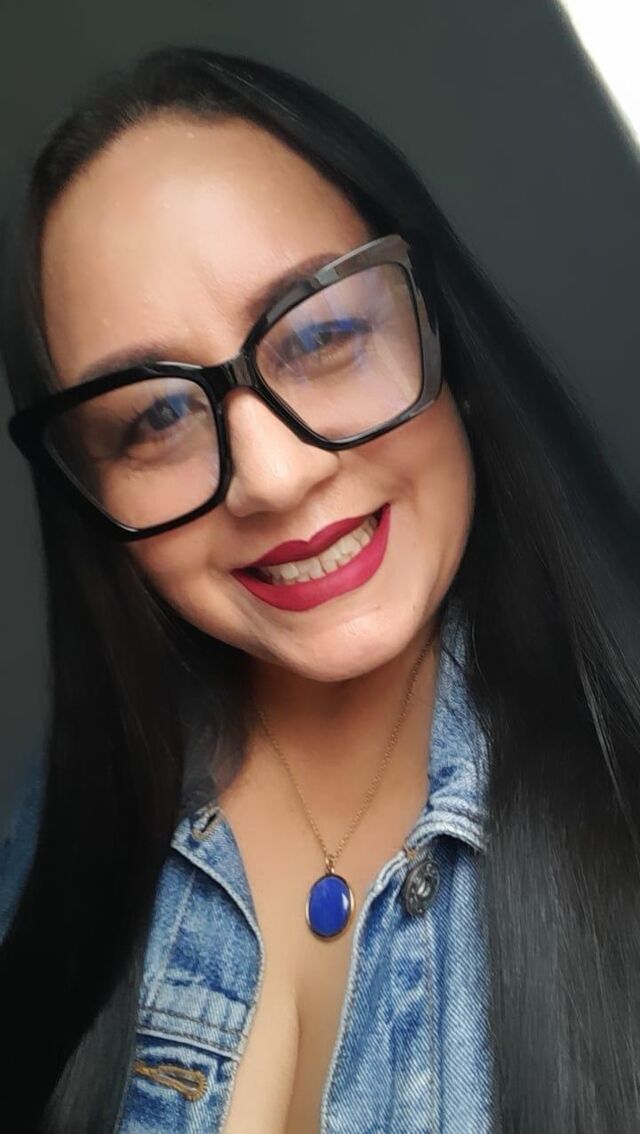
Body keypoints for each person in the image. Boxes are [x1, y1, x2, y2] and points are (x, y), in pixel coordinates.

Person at [0, 43, 639, 1134]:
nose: (274, 476)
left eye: (325, 333)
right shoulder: (63, 825)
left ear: (438, 326)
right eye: (154, 416)